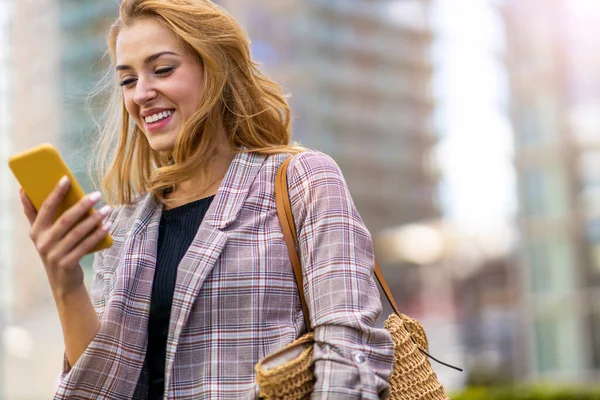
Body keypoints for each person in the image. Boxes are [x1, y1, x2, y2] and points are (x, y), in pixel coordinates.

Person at [19, 0, 395, 398]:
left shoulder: (302, 180)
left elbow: (349, 351)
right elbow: (99, 390)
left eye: (162, 69)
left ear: (215, 69)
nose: (141, 94)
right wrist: (67, 285)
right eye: (128, 80)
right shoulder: (125, 224)